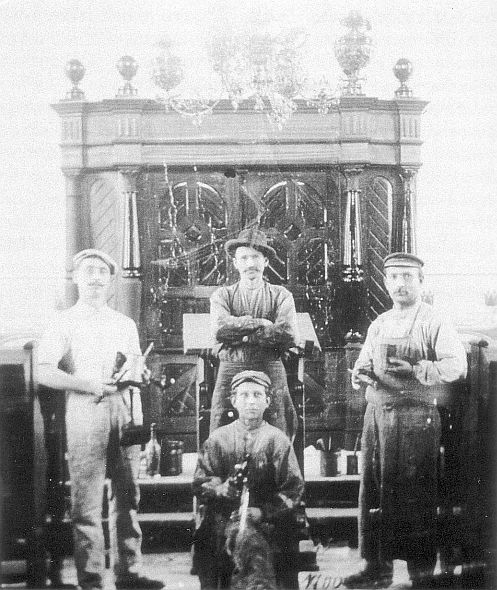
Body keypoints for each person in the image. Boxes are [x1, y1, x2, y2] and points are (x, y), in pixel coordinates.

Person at [37, 249, 163, 590]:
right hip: (85, 409)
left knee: (128, 496)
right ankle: (90, 579)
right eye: (88, 271)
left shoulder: (124, 323)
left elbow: (134, 367)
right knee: (87, 500)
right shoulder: (63, 322)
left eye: (101, 272)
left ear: (110, 280)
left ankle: (129, 572)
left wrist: (141, 374)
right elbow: (43, 371)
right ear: (76, 278)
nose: (94, 278)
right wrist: (87, 383)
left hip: (126, 411)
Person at [344, 252, 467, 589]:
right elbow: (363, 364)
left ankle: (420, 573)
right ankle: (376, 568)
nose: (400, 283)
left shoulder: (434, 320)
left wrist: (417, 370)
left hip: (417, 421)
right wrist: (361, 373)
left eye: (407, 277)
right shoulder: (379, 323)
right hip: (379, 420)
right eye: (394, 277)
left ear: (421, 282)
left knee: (417, 494)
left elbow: (457, 366)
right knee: (374, 492)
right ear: (385, 283)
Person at [192, 370, 305, 590]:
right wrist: (221, 488)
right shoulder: (218, 439)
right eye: (244, 395)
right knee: (214, 539)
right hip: (224, 516)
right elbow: (201, 481)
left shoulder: (277, 440)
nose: (251, 402)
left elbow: (293, 489)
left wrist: (262, 512)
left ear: (267, 401)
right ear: (234, 400)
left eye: (257, 395)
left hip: (268, 519)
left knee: (250, 540)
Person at [209, 227, 299, 439]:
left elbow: (287, 334)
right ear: (235, 262)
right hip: (232, 363)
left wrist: (242, 334)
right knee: (219, 419)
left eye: (256, 257)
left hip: (269, 363)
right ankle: (219, 468)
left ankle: (277, 468)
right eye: (244, 258)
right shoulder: (222, 295)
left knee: (279, 420)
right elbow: (220, 329)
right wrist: (260, 323)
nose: (250, 264)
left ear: (265, 261)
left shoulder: (281, 295)